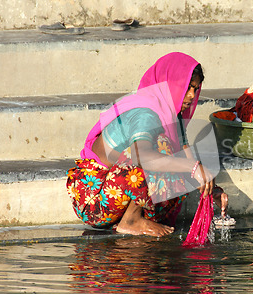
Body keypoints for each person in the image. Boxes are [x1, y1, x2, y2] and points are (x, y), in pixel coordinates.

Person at [66, 52, 228, 237]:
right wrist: (193, 167)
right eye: (187, 88)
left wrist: (210, 188)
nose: (191, 96)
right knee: (158, 147)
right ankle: (131, 221)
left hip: (117, 193)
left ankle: (134, 216)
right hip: (94, 199)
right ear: (169, 84)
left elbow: (186, 159)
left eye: (195, 89)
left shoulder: (173, 117)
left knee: (178, 163)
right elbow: (142, 155)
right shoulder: (145, 113)